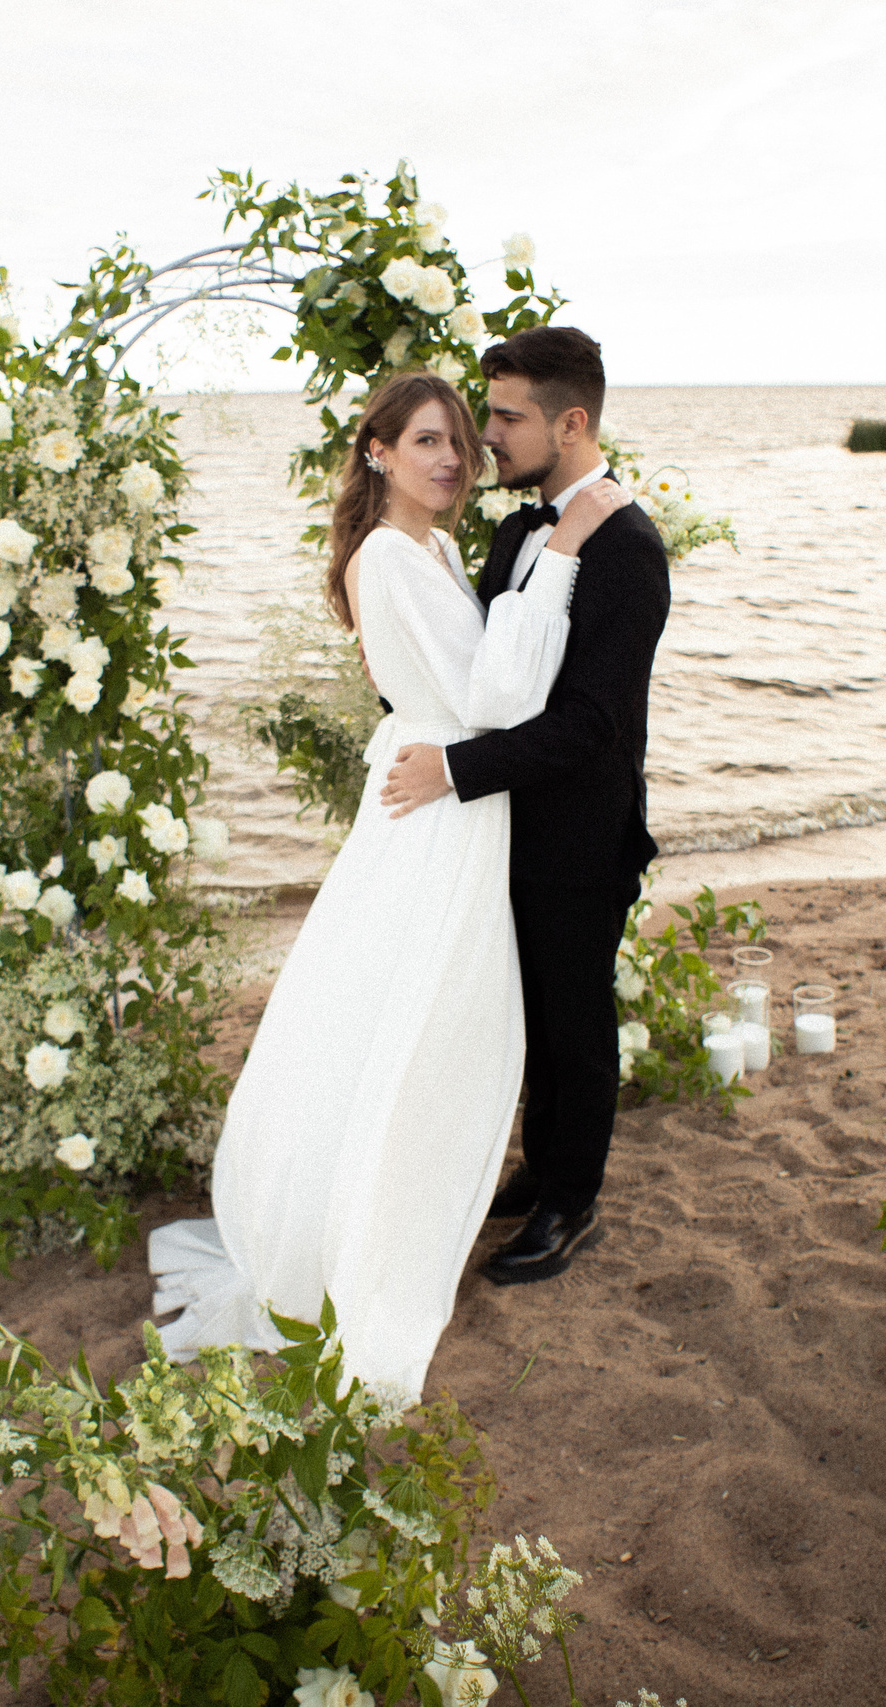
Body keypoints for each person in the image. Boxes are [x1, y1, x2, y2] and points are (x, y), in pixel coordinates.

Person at [147, 368, 621, 1400]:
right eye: (425, 442)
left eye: (459, 439)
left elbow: (473, 681)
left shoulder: (435, 546)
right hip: (436, 808)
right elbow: (496, 693)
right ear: (376, 452)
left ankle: (408, 1189)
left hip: (447, 796)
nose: (450, 458)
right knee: (412, 1013)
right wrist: (568, 555)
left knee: (419, 1010)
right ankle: (367, 1215)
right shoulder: (388, 559)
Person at [377, 326, 669, 1286]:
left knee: (576, 1023)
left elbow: (588, 723)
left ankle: (571, 1203)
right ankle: (541, 1167)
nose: (483, 437)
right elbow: (486, 678)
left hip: (580, 838)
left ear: (571, 422)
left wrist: (454, 769)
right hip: (502, 825)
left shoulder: (627, 547)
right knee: (530, 1013)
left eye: (506, 417)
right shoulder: (514, 531)